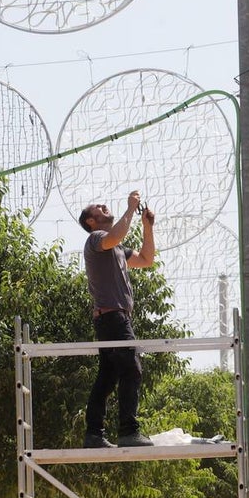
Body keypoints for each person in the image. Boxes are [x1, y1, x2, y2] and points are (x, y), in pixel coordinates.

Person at [78, 191, 156, 448]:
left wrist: (147, 227)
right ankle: (128, 431)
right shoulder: (97, 239)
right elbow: (114, 237)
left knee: (108, 376)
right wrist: (131, 209)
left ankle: (94, 434)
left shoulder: (118, 248)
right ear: (91, 221)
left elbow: (146, 260)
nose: (103, 205)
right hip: (113, 317)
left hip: (112, 318)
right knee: (131, 369)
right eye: (97, 207)